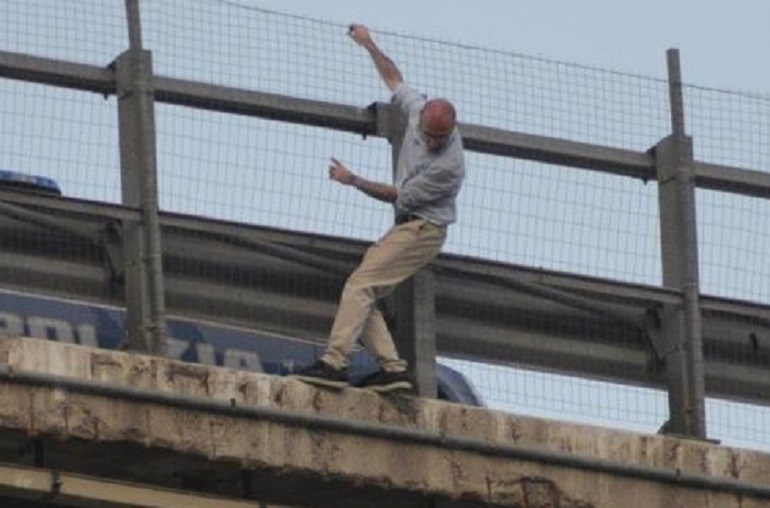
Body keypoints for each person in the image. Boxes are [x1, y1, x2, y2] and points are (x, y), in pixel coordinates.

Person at [291, 23, 465, 393]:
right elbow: (395, 80)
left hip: (424, 230)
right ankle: (393, 371)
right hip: (408, 226)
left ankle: (334, 362)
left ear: (451, 131)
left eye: (441, 138)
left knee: (359, 287)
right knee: (362, 291)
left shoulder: (449, 168)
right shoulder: (419, 111)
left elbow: (396, 196)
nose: (433, 142)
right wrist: (369, 44)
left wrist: (352, 180)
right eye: (430, 135)